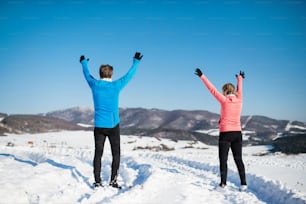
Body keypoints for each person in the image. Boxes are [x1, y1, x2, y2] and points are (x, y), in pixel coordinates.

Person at [80, 52, 143, 189]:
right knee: (116, 154)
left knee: (98, 154)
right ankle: (113, 181)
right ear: (111, 74)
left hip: (99, 126)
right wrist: (136, 62)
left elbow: (87, 74)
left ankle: (97, 181)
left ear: (100, 74)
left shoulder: (95, 85)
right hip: (113, 125)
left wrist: (84, 62)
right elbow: (129, 76)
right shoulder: (116, 86)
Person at [194, 68, 247, 191]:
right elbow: (240, 90)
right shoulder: (240, 100)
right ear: (233, 90)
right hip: (237, 133)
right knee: (238, 159)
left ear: (224, 91)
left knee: (223, 160)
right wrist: (240, 79)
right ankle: (243, 184)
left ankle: (223, 184)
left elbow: (211, 89)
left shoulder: (224, 100)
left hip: (225, 133)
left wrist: (202, 76)